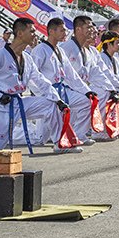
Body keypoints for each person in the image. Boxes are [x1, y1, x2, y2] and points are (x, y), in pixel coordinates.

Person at [0, 18, 81, 155]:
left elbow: (40, 80)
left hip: (19, 102)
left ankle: (61, 143)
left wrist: (57, 100)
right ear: (20, 33)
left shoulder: (27, 58)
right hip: (0, 105)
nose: (35, 34)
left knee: (50, 105)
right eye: (32, 31)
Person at [31, 17, 97, 145]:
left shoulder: (60, 51)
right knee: (39, 139)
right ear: (51, 31)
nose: (65, 33)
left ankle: (76, 136)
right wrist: (43, 94)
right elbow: (32, 76)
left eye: (65, 30)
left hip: (61, 91)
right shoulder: (40, 50)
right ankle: (13, 133)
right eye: (61, 30)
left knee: (86, 102)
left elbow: (71, 76)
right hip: (47, 95)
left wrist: (87, 91)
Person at [61, 16, 119, 141]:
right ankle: (76, 135)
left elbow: (97, 73)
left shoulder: (87, 51)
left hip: (80, 88)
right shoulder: (66, 47)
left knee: (97, 97)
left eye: (92, 28)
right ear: (78, 29)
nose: (92, 31)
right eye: (88, 27)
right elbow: (67, 75)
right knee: (40, 136)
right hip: (65, 89)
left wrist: (113, 88)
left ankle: (79, 135)